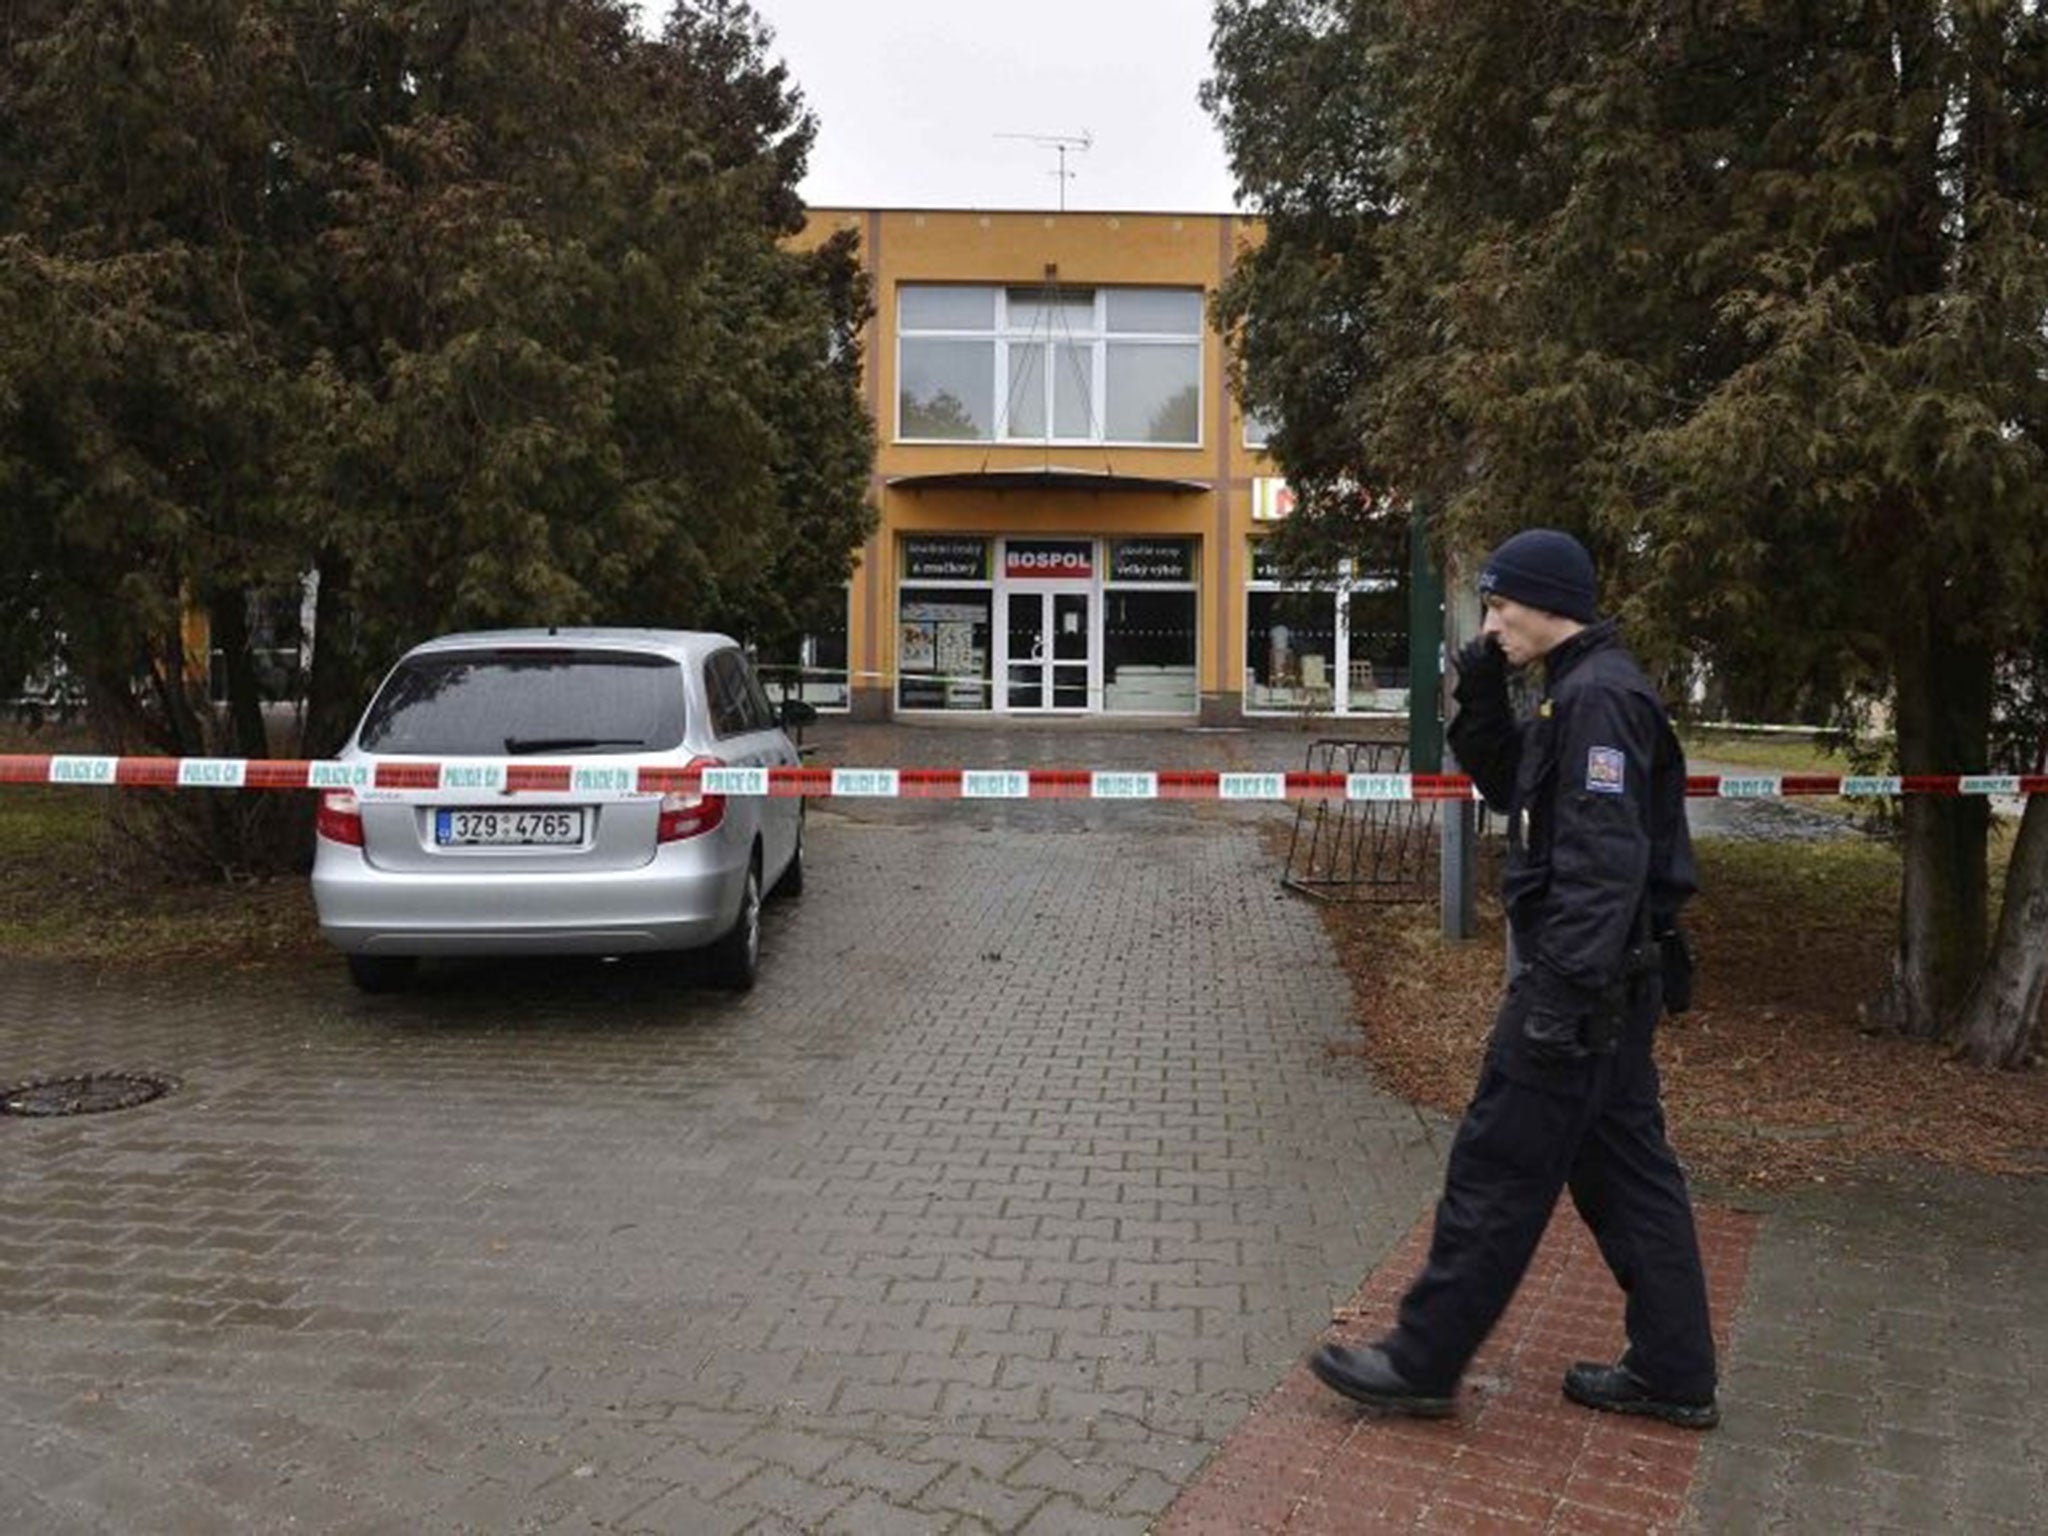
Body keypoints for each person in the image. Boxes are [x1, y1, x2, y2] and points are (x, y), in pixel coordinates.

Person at [1308, 527, 1719, 1429]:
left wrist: (1559, 1000)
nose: (1491, 623)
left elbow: (1602, 869)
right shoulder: (1571, 692)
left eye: (1500, 606)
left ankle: (1421, 1359)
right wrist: (1484, 701)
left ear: (1548, 603)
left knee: (1497, 1166)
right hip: (1607, 988)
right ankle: (1675, 1368)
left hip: (1583, 990)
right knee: (1625, 1175)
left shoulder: (1602, 700)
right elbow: (1515, 794)